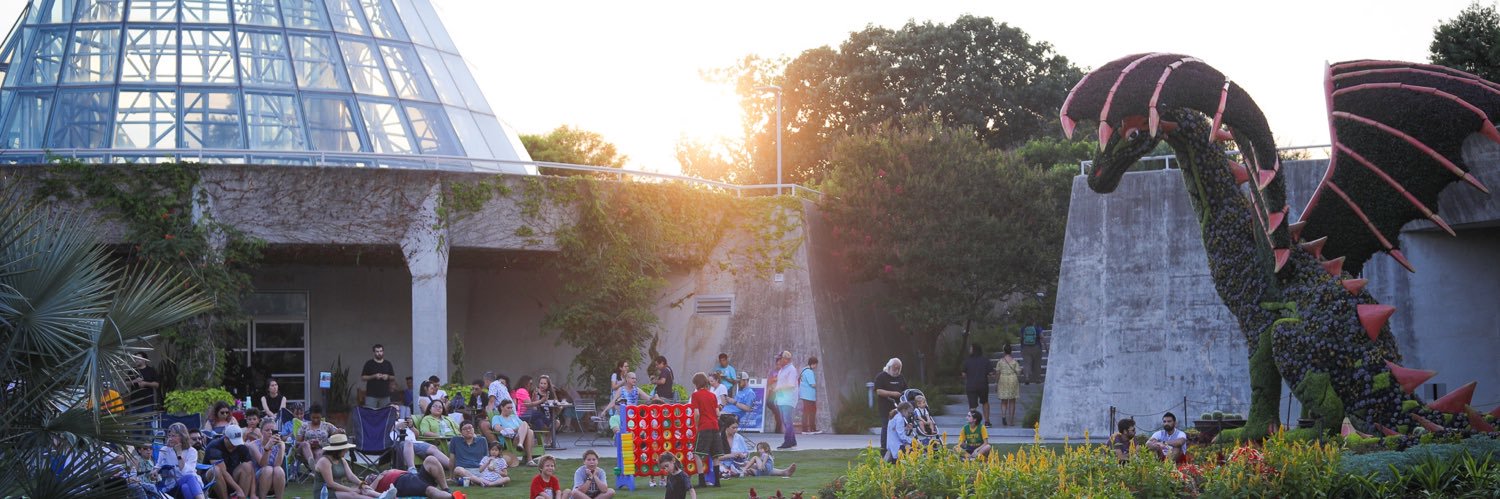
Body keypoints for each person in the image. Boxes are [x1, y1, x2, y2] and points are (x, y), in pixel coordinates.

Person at [313, 433, 384, 498]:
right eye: (344, 450)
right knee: (352, 495)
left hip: (337, 490)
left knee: (363, 489)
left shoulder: (341, 460)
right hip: (324, 493)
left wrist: (361, 484)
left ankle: (383, 496)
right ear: (337, 450)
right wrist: (350, 490)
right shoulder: (324, 461)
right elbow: (330, 484)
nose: (346, 451)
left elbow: (351, 476)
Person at [364, 456, 463, 499]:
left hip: (413, 476)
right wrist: (378, 478)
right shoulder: (375, 485)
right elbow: (368, 491)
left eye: (372, 475)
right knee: (429, 490)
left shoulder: (382, 474)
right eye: (369, 478)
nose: (372, 475)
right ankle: (452, 497)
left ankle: (446, 490)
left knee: (431, 460)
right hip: (401, 483)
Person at [689, 372, 723, 488]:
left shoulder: (696, 395)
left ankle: (702, 481)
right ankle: (717, 482)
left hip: (704, 426)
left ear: (697, 384)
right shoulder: (712, 395)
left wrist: (697, 425)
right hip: (715, 426)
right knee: (715, 455)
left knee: (697, 453)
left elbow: (697, 413)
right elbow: (718, 413)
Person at [206, 423, 256, 499]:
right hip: (213, 482)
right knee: (216, 470)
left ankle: (242, 497)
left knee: (247, 466)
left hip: (232, 478)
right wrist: (238, 489)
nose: (235, 445)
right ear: (225, 438)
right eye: (233, 442)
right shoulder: (214, 447)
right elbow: (223, 472)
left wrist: (253, 494)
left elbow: (251, 469)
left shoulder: (241, 445)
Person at [161, 423, 208, 499]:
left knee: (185, 487)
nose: (170, 439)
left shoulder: (192, 451)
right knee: (189, 477)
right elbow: (158, 466)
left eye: (173, 436)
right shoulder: (165, 450)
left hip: (192, 483)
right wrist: (155, 471)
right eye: (169, 436)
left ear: (182, 437)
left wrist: (179, 454)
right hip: (173, 484)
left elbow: (186, 472)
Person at [873, 358, 908, 459]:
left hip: (899, 408)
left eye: (899, 368)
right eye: (895, 368)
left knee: (900, 428)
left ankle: (899, 449)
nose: (896, 371)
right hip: (886, 408)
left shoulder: (901, 377)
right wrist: (893, 394)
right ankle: (884, 450)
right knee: (886, 428)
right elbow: (878, 391)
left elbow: (906, 389)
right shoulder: (881, 376)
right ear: (889, 367)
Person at [490, 399, 540, 467]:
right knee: (526, 426)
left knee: (529, 430)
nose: (510, 410)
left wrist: (518, 430)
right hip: (510, 440)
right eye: (508, 408)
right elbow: (496, 427)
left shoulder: (514, 417)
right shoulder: (497, 417)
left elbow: (526, 426)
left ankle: (521, 444)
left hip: (521, 438)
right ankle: (529, 459)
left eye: (511, 408)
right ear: (502, 407)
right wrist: (512, 430)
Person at [250, 419, 288, 499]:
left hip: (275, 479)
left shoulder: (280, 444)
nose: (270, 432)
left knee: (279, 470)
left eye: (273, 430)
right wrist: (267, 448)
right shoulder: (254, 445)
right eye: (267, 430)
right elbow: (263, 464)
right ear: (261, 432)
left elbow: (277, 465)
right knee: (268, 469)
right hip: (258, 480)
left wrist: (281, 448)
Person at [960, 344, 995, 427]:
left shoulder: (967, 361)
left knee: (972, 406)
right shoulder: (985, 360)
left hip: (971, 385)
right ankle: (987, 421)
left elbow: (963, 374)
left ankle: (973, 423)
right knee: (985, 402)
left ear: (974, 350)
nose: (969, 350)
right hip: (983, 384)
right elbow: (991, 373)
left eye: (971, 349)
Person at [769, 350, 798, 449]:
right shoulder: (782, 369)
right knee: (785, 420)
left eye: (780, 358)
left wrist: (778, 388)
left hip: (788, 399)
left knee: (787, 420)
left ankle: (787, 442)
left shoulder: (791, 370)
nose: (778, 360)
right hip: (782, 398)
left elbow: (791, 385)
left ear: (786, 359)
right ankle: (792, 440)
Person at [361, 344, 396, 409]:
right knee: (370, 414)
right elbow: (363, 378)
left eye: (381, 351)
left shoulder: (387, 363)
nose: (379, 353)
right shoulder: (369, 363)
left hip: (385, 395)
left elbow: (393, 377)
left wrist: (387, 376)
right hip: (371, 395)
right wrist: (374, 376)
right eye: (377, 351)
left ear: (383, 352)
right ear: (374, 352)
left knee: (384, 415)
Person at [996, 344, 1021, 426]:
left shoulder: (1000, 361)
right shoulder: (1015, 361)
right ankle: (1011, 420)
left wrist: (996, 383)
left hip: (1003, 379)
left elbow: (997, 372)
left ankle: (1003, 417)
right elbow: (1018, 372)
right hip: (1012, 379)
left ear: (1004, 351)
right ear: (1011, 351)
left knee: (1004, 400)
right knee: (1012, 401)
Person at [799, 356, 819, 434]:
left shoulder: (803, 370)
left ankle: (810, 429)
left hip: (805, 395)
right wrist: (816, 385)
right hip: (809, 395)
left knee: (807, 412)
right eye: (816, 364)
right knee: (809, 412)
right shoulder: (809, 372)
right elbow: (812, 384)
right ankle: (807, 429)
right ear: (813, 364)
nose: (816, 366)